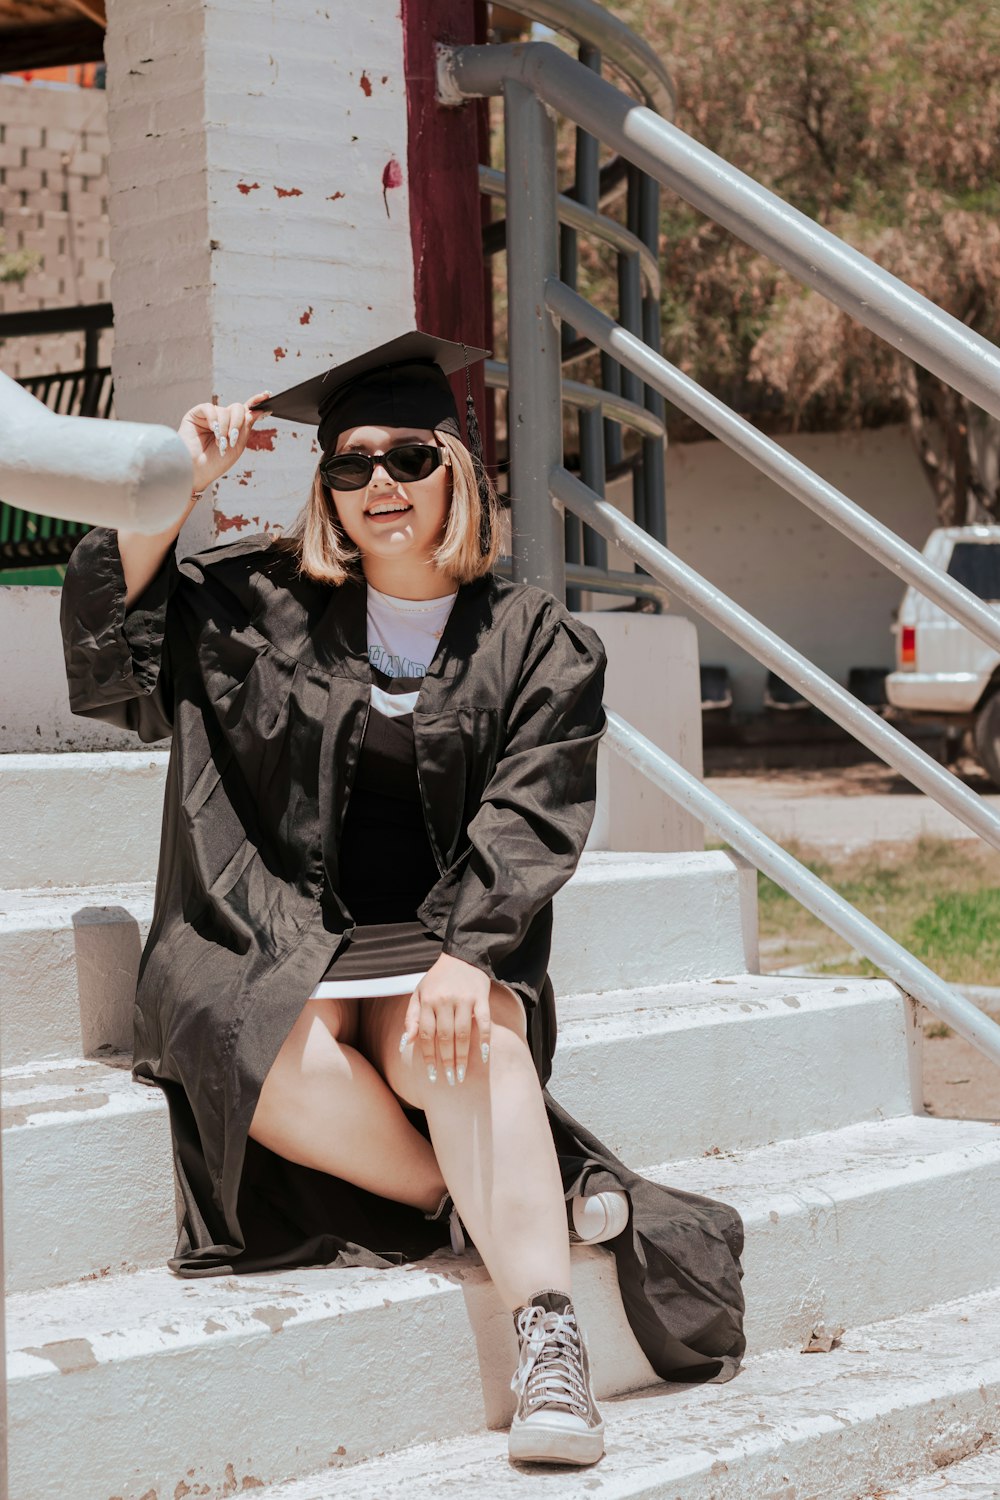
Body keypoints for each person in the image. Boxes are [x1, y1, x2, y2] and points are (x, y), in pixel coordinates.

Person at [60, 331, 746, 1469]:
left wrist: (470, 956)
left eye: (409, 458)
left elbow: (534, 816)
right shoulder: (263, 610)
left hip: (435, 949)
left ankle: (549, 1344)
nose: (379, 483)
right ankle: (462, 1190)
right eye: (349, 463)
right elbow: (116, 653)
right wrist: (179, 485)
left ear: (457, 473)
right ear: (324, 488)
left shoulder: (536, 642)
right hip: (271, 932)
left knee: (474, 1041)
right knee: (233, 1036)